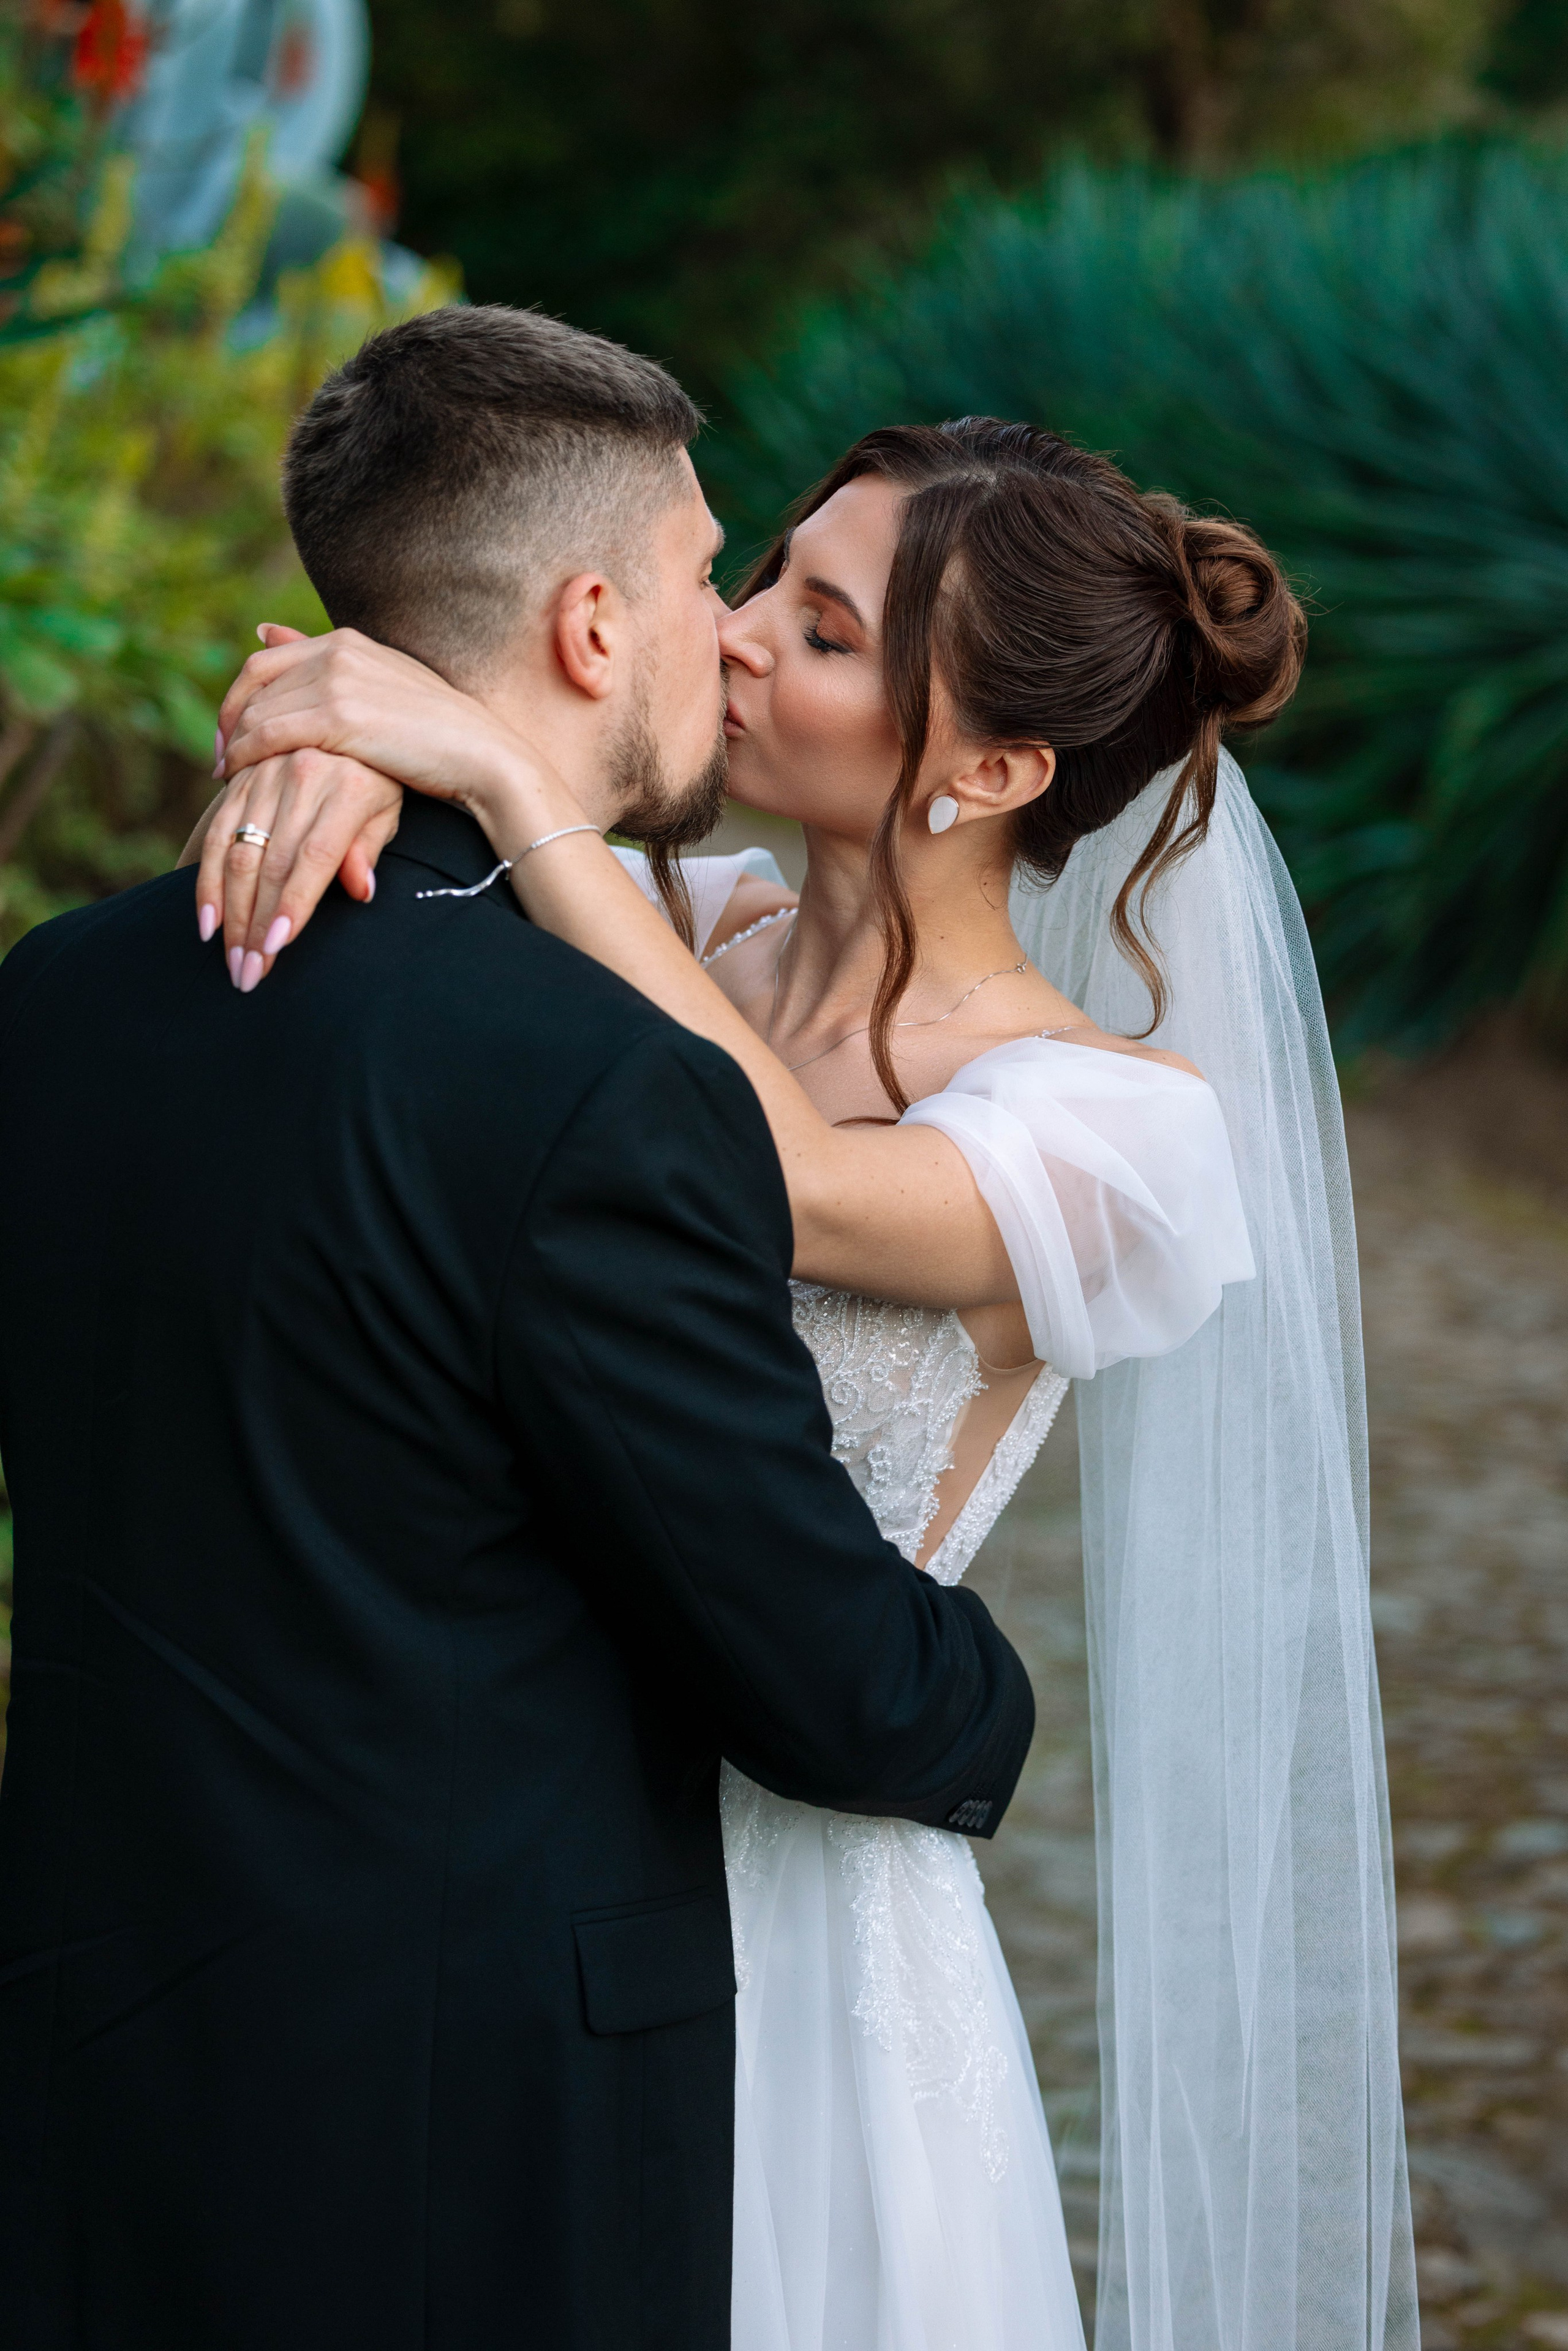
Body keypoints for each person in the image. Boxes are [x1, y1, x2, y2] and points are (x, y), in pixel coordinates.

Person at [200, 359, 1419, 2348]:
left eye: (827, 632)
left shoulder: (1121, 1132)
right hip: (500, 1846)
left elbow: (788, 1181)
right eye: (762, 576)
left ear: (990, 775)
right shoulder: (661, 919)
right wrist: (353, 762)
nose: (739, 636)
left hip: (808, 1903)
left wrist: (501, 778)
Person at [0, 310, 1044, 2351]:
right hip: (459, 2140)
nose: (728, 638)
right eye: (704, 576)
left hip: (87, 2065)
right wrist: (983, 1698)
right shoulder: (605, 1084)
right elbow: (834, 1685)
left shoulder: (61, 995)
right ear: (587, 625)